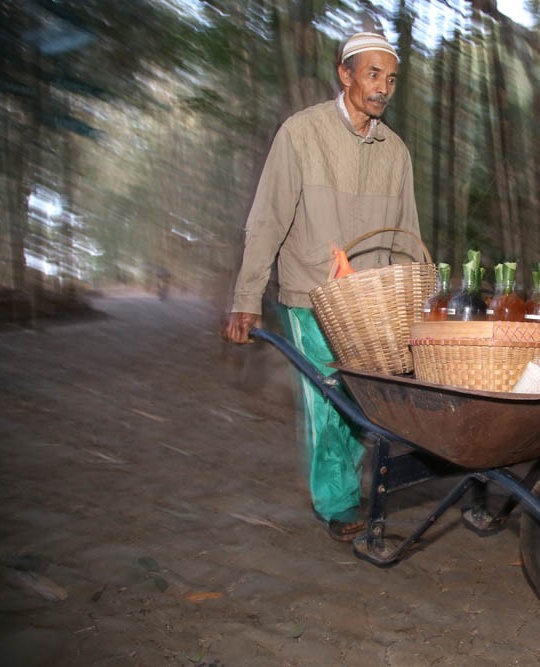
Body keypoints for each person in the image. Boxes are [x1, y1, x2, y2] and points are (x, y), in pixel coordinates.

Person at [223, 32, 421, 542]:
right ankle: (335, 502)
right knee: (328, 399)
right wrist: (246, 298)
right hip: (311, 294)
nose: (383, 87)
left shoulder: (395, 151)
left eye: (391, 78)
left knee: (363, 402)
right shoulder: (301, 134)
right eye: (373, 74)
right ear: (345, 73)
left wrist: (421, 305)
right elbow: (266, 220)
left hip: (370, 305)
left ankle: (347, 486)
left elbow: (408, 237)